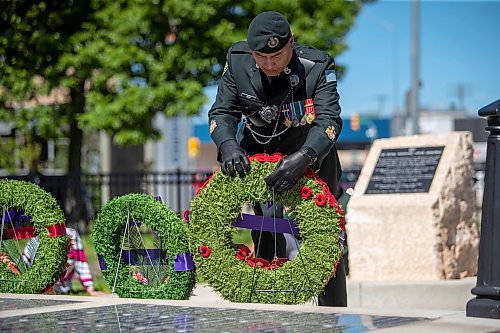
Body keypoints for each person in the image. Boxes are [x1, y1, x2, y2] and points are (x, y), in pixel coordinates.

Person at [208, 11, 346, 306]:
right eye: (261, 56)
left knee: (326, 237)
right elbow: (222, 112)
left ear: (292, 44)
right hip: (260, 155)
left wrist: (304, 157)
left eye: (277, 55)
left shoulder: (317, 66)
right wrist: (229, 145)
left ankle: (334, 313)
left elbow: (330, 120)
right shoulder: (238, 60)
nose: (269, 64)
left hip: (311, 154)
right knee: (268, 229)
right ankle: (268, 310)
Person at [22, 227, 103, 296]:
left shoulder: (71, 234)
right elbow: (25, 261)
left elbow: (80, 261)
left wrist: (90, 288)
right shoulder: (39, 234)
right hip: (39, 288)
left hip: (62, 289)